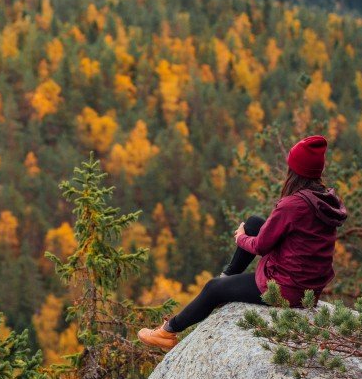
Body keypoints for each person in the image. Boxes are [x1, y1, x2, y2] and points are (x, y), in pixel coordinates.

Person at [138, 135, 347, 351]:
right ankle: (227, 281)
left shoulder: (293, 205)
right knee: (255, 223)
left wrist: (240, 237)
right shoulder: (322, 199)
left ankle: (167, 331)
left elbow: (261, 246)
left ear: (294, 170)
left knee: (212, 288)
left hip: (286, 289)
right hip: (308, 285)